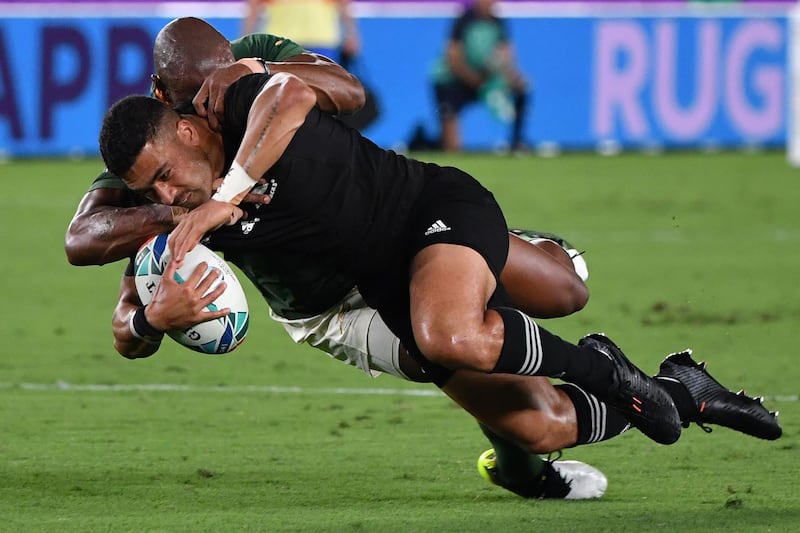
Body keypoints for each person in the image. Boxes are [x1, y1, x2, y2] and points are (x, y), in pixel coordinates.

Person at [98, 68, 782, 460]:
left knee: (547, 297)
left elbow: (297, 96)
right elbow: (122, 314)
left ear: (187, 127)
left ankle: (603, 364)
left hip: (425, 207)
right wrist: (154, 317)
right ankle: (679, 388)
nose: (163, 195)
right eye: (148, 189)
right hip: (377, 293)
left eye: (163, 176)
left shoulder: (239, 97)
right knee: (538, 426)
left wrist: (225, 196)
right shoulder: (171, 217)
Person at [66, 17, 603, 500]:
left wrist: (257, 69)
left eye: (218, 84)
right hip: (331, 304)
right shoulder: (157, 166)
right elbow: (84, 239)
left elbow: (348, 92)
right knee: (445, 351)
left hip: (386, 226)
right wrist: (178, 236)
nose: (210, 103)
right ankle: (525, 465)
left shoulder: (246, 65)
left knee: (566, 288)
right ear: (165, 99)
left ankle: (494, 252)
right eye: (195, 97)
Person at [432, 0, 530, 152]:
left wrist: (511, 78)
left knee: (522, 88)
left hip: (486, 80)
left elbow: (507, 54)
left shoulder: (498, 22)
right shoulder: (463, 20)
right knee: (452, 145)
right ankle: (446, 146)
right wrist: (475, 80)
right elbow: (453, 57)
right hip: (458, 81)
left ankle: (516, 143)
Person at [241, 0, 359, 65]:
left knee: (326, 94)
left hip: (322, 43)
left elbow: (343, 4)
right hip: (282, 46)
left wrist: (351, 34)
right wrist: (247, 41)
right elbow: (254, 8)